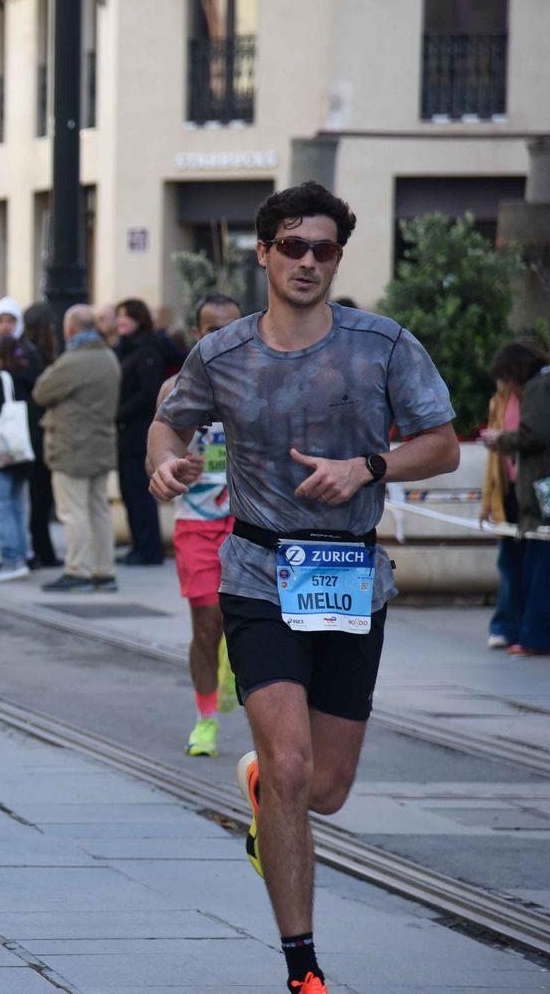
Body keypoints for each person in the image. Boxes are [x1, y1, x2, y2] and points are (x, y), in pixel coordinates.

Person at [150, 181, 459, 994]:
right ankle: (304, 968)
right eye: (293, 245)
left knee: (323, 789)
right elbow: (167, 421)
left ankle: (261, 788)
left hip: (350, 575)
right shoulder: (224, 353)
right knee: (290, 767)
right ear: (263, 253)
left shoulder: (384, 345)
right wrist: (164, 463)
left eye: (323, 248)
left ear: (337, 258)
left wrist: (368, 466)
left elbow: (444, 444)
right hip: (258, 571)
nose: (308, 261)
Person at [154, 292, 243, 757]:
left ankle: (230, 667)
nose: (222, 338)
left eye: (231, 328)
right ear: (197, 334)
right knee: (206, 621)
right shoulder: (176, 389)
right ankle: (206, 718)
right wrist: (170, 464)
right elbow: (161, 443)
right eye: (213, 330)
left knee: (238, 619)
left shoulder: (257, 381)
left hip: (248, 521)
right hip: (197, 523)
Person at [34, 305, 121, 593]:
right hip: (102, 443)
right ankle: (104, 571)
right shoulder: (109, 358)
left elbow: (41, 391)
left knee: (73, 511)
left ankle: (78, 570)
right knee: (99, 510)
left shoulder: (73, 361)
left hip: (72, 446)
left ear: (69, 329)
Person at [481, 341, 550, 656]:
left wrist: (501, 440)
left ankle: (534, 637)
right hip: (532, 490)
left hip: (539, 490)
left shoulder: (538, 387)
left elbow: (535, 435)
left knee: (539, 563)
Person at [0, 334, 38, 582]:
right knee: (19, 506)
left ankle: (11, 559)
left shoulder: (0, 380)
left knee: (3, 507)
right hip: (23, 451)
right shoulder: (28, 379)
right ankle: (22, 555)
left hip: (3, 454)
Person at [115, 298, 168, 565]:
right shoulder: (124, 349)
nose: (120, 321)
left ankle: (148, 548)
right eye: (119, 316)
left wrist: (119, 412)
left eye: (126, 316)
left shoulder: (146, 349)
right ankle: (139, 544)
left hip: (139, 432)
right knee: (129, 491)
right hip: (126, 434)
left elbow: (149, 393)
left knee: (140, 493)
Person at [21, 304, 63, 570]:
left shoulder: (29, 352)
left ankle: (41, 549)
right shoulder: (35, 355)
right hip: (36, 432)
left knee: (39, 497)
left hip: (33, 430)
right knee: (40, 497)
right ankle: (41, 550)